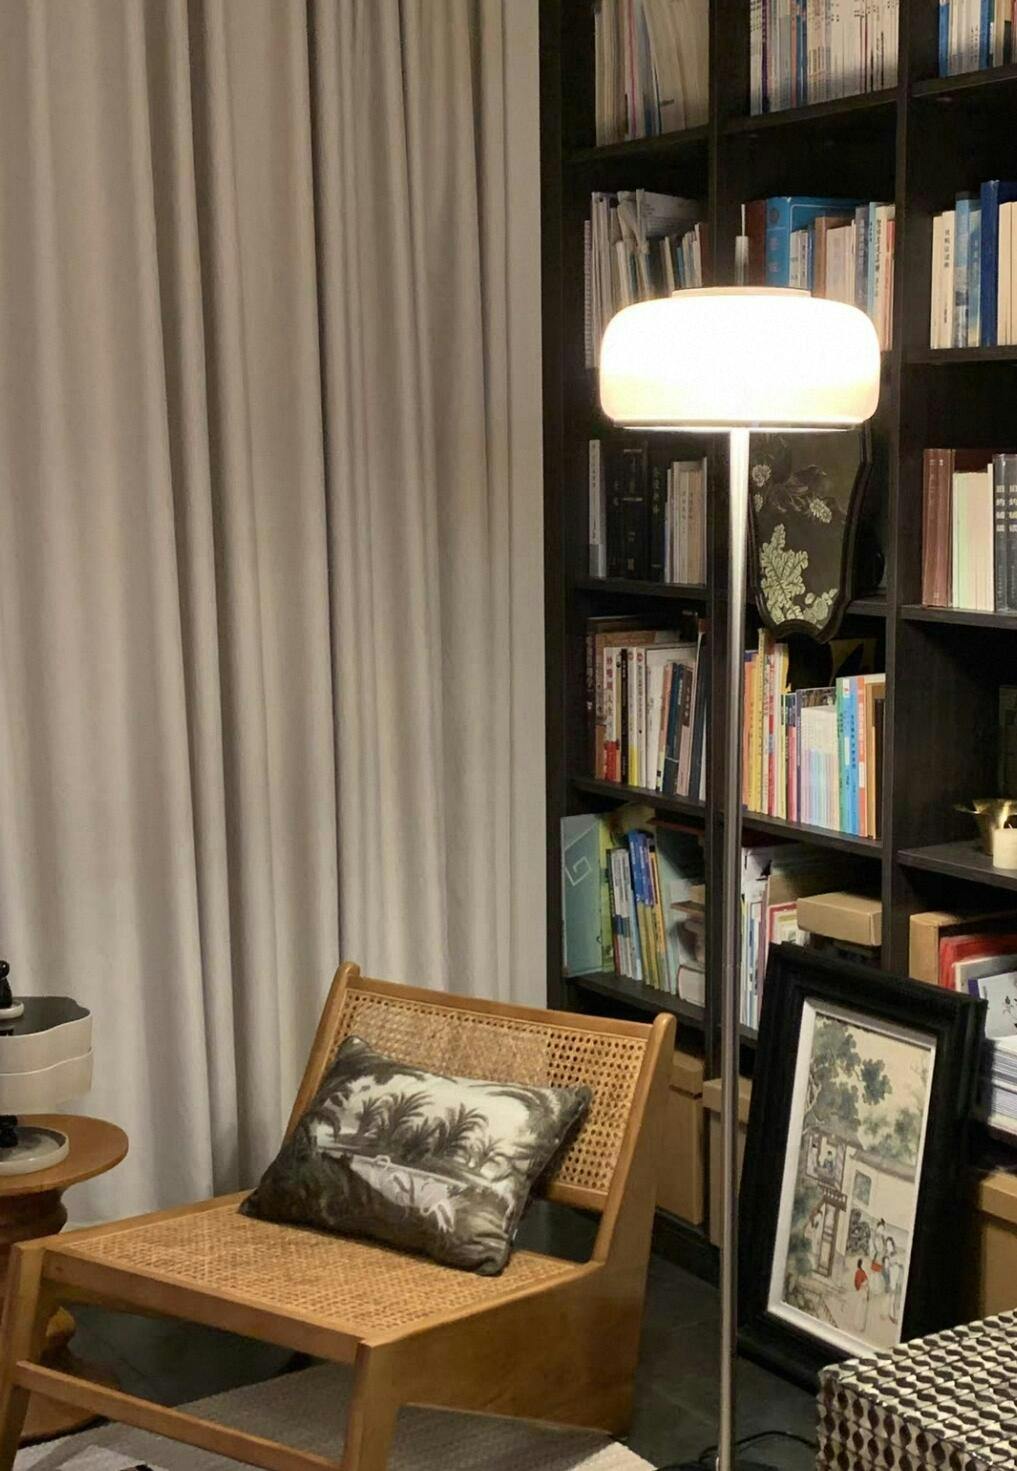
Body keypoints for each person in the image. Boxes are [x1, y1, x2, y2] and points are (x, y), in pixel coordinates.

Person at [853, 1257, 869, 1332]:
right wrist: (864, 1284)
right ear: (860, 1264)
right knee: (860, 1308)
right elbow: (858, 1283)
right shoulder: (859, 1272)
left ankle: (861, 1326)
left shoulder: (863, 1272)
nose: (864, 1265)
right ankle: (857, 1325)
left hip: (864, 1292)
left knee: (863, 1309)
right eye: (863, 1263)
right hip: (861, 1292)